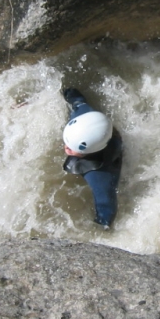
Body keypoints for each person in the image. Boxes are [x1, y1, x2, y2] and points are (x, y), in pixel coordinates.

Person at [61, 88, 122, 228]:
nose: (66, 148)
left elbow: (107, 206)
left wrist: (103, 225)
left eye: (70, 148)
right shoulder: (83, 115)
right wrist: (67, 91)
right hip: (107, 136)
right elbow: (77, 99)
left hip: (108, 155)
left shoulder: (99, 176)